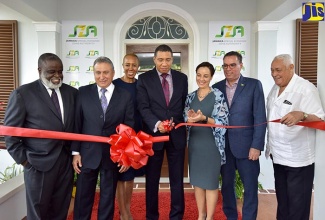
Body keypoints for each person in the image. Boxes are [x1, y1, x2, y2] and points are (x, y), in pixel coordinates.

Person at [4, 53, 78, 220]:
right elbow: (10, 133)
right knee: (38, 213)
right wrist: (25, 161)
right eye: (52, 71)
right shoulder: (22, 94)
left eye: (60, 71)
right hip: (37, 165)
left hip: (64, 163)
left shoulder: (72, 93)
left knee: (61, 209)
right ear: (39, 70)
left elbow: (75, 126)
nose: (57, 76)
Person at [71, 56, 134, 220]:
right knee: (83, 197)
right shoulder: (83, 92)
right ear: (93, 73)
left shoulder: (125, 95)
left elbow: (128, 127)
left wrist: (125, 155)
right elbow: (77, 124)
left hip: (112, 155)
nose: (102, 76)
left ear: (113, 73)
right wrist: (75, 152)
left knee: (107, 198)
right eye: (98, 72)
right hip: (86, 154)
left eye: (106, 72)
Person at [266, 54, 325, 220]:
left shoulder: (306, 89)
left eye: (278, 70)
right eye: (272, 70)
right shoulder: (274, 88)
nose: (274, 74)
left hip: (298, 159)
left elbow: (321, 119)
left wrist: (302, 114)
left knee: (298, 207)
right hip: (278, 156)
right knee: (283, 203)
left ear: (291, 68)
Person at [212, 51, 267, 220]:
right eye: (225, 65)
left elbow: (260, 117)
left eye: (233, 65)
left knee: (250, 188)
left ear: (241, 65)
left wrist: (256, 146)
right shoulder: (216, 88)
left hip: (247, 147)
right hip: (225, 148)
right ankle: (231, 217)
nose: (228, 69)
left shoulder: (253, 85)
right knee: (227, 187)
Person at [137, 44, 188, 220]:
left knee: (177, 180)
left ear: (172, 60)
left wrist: (179, 121)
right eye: (160, 59)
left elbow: (182, 106)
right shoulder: (143, 79)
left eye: (168, 59)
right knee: (152, 181)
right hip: (154, 137)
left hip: (177, 137)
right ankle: (152, 216)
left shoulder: (182, 78)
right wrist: (157, 124)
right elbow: (143, 107)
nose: (164, 63)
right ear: (154, 60)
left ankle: (177, 215)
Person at [184, 62, 229, 220]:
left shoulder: (218, 96)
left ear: (211, 77)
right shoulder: (190, 97)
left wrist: (204, 118)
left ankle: (209, 217)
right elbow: (185, 118)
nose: (201, 79)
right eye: (199, 75)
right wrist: (189, 116)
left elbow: (223, 122)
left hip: (212, 146)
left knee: (210, 183)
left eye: (205, 76)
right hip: (195, 145)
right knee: (197, 182)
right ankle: (201, 215)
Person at [113, 53, 144, 220]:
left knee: (130, 175)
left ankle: (127, 209)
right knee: (120, 174)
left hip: (137, 136)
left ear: (138, 67)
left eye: (134, 65)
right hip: (120, 136)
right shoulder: (115, 85)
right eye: (127, 65)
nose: (130, 68)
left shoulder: (141, 86)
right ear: (122, 65)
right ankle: (123, 211)